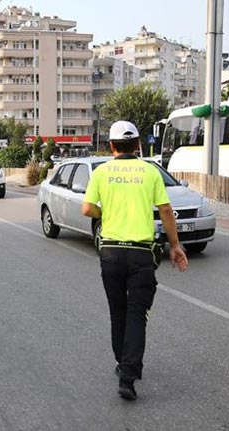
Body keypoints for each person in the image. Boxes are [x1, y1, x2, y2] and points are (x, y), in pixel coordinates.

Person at [82, 121, 188, 401]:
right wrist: (175, 246)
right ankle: (128, 376)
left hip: (111, 253)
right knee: (136, 314)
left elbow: (87, 208)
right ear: (138, 144)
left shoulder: (102, 172)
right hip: (142, 254)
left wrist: (107, 210)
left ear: (111, 145)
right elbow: (165, 208)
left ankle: (122, 362)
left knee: (117, 311)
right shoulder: (149, 170)